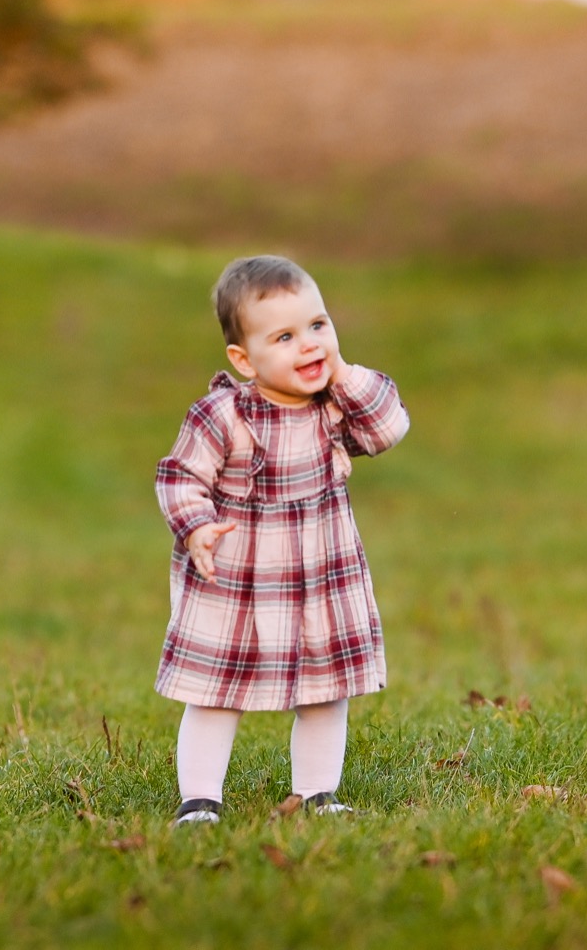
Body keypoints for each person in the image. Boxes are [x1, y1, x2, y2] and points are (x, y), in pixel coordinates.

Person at [154, 255, 410, 826]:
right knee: (216, 692)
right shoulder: (223, 413)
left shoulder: (335, 405)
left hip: (319, 575)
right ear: (244, 359)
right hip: (239, 577)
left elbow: (390, 425)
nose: (310, 345)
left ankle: (319, 793)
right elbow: (179, 476)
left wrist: (343, 371)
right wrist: (196, 527)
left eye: (318, 326)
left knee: (325, 691)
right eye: (286, 336)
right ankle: (199, 799)